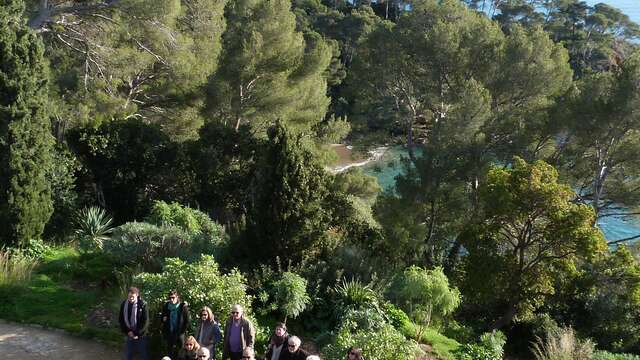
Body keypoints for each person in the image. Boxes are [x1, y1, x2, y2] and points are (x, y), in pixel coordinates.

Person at [118, 287, 149, 360]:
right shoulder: (124, 304)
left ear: (137, 295)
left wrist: (136, 333)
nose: (131, 298)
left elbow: (145, 322)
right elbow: (121, 319)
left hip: (141, 335)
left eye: (133, 297)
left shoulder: (143, 305)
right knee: (128, 354)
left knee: (143, 354)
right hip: (129, 333)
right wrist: (128, 331)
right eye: (129, 296)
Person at [161, 290, 191, 359]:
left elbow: (187, 321)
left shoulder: (182, 306)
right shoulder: (166, 306)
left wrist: (182, 332)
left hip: (180, 333)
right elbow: (162, 318)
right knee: (170, 352)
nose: (171, 300)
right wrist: (163, 319)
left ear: (177, 297)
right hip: (169, 332)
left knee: (181, 352)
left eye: (173, 297)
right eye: (170, 298)